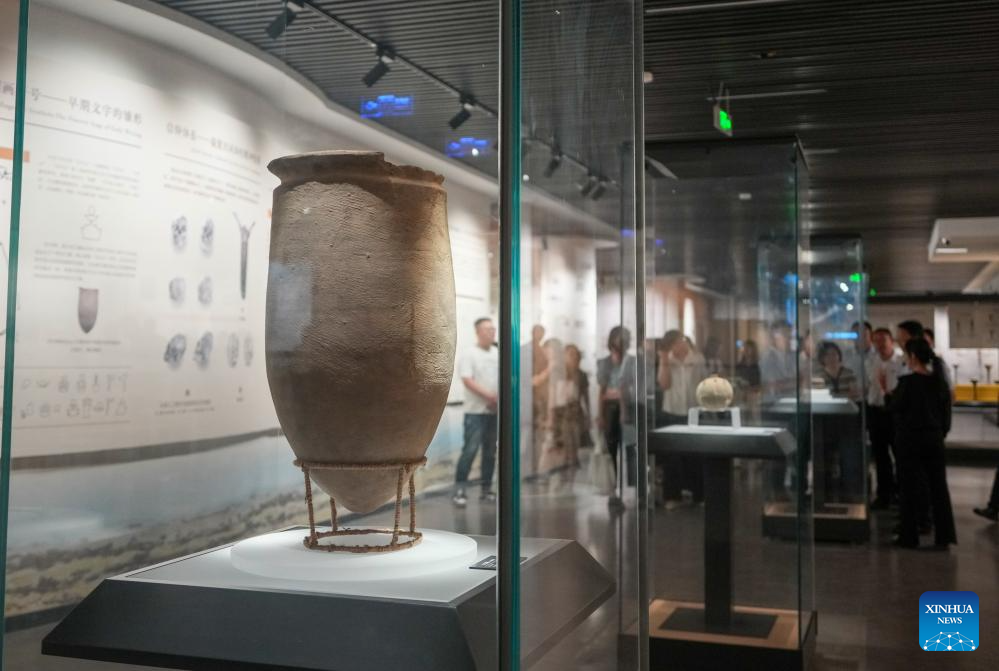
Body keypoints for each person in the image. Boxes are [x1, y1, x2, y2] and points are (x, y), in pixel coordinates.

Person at [889, 337, 957, 549]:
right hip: (934, 439)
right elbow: (946, 416)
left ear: (913, 357)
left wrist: (886, 393)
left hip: (910, 440)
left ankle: (908, 536)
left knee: (909, 488)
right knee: (939, 488)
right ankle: (944, 537)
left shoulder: (907, 383)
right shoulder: (939, 383)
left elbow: (895, 409)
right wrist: (940, 433)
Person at [453, 317, 499, 508]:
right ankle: (460, 491)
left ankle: (486, 490)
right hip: (475, 413)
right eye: (487, 329)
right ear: (478, 332)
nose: (492, 332)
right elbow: (467, 380)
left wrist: (497, 400)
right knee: (470, 451)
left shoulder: (497, 353)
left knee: (490, 452)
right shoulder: (469, 354)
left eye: (493, 329)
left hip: (493, 413)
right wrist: (490, 397)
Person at [657, 330, 707, 503]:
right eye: (674, 344)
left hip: (693, 410)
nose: (678, 346)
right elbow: (664, 385)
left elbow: (703, 383)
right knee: (672, 456)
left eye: (680, 341)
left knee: (695, 455)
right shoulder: (667, 359)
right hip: (672, 411)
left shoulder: (697, 358)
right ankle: (672, 495)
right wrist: (664, 360)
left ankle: (698, 494)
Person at [540, 342, 590, 487]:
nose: (573, 357)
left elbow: (585, 396)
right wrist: (550, 419)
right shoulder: (557, 373)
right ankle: (558, 480)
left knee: (573, 449)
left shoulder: (581, 375)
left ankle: (570, 482)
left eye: (575, 355)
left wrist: (588, 416)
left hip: (575, 415)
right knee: (559, 448)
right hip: (560, 416)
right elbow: (552, 396)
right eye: (570, 354)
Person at [868, 328, 904, 509]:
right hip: (876, 411)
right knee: (880, 457)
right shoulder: (872, 360)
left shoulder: (900, 361)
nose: (880, 344)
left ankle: (900, 494)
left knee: (900, 455)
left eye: (883, 340)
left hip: (894, 413)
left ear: (891, 341)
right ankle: (884, 494)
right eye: (876, 340)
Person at [597, 326, 635, 481]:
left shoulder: (632, 361)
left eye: (626, 337)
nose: (623, 341)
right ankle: (612, 481)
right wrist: (600, 415)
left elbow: (634, 387)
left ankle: (632, 484)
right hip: (611, 408)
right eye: (620, 337)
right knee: (611, 446)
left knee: (631, 446)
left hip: (629, 407)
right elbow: (602, 391)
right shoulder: (605, 363)